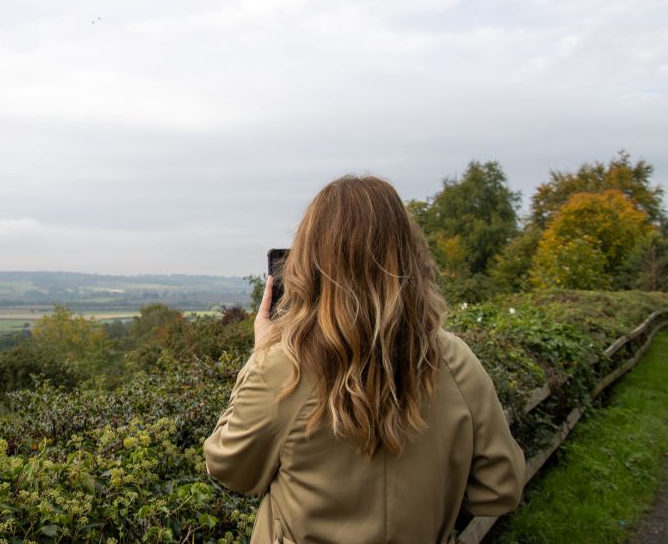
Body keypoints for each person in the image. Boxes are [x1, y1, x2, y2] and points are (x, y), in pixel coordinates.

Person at [203, 176, 526, 544]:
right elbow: (501, 486)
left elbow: (229, 467)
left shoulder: (285, 368)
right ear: (409, 257)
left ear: (308, 267)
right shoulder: (456, 361)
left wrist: (260, 354)